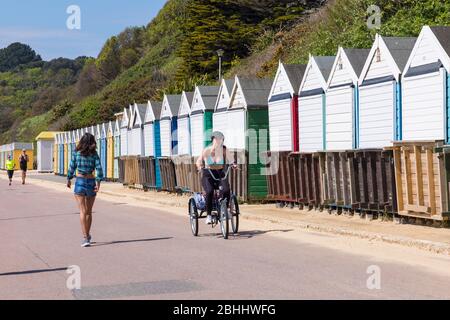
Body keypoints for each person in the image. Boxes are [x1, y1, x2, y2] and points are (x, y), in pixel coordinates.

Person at [67, 132, 104, 247]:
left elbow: (72, 167)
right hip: (91, 181)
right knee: (89, 211)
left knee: (82, 211)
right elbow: (99, 168)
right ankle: (87, 235)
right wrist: (98, 182)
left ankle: (85, 237)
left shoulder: (76, 153)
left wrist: (68, 179)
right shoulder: (94, 154)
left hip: (80, 181)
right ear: (92, 142)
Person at [196, 131, 235, 225]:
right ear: (213, 140)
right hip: (208, 175)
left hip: (220, 174)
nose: (219, 141)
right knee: (209, 192)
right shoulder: (207, 150)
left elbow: (231, 160)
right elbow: (198, 161)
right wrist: (200, 167)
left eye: (221, 139)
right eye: (217, 139)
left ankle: (225, 210)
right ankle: (209, 215)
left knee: (226, 190)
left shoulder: (224, 149)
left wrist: (233, 164)